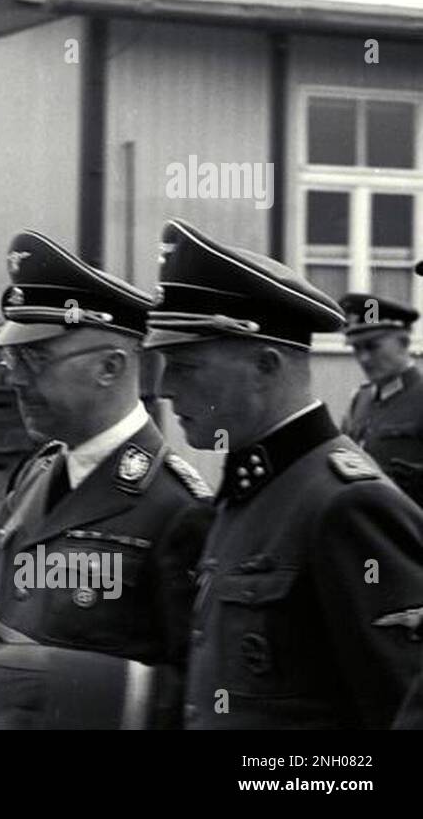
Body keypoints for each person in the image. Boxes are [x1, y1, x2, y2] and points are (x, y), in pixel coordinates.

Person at [0, 230, 214, 729]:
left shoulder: (178, 507)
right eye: (12, 358)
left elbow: (203, 697)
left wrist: (66, 680)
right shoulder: (38, 473)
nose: (15, 378)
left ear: (110, 367)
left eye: (36, 359)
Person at [144, 218, 423, 729]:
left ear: (266, 364)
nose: (164, 388)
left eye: (185, 365)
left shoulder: (348, 506)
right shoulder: (253, 490)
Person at [338, 292, 423, 506]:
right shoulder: (360, 398)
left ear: (403, 341)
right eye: (357, 348)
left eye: (372, 346)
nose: (364, 358)